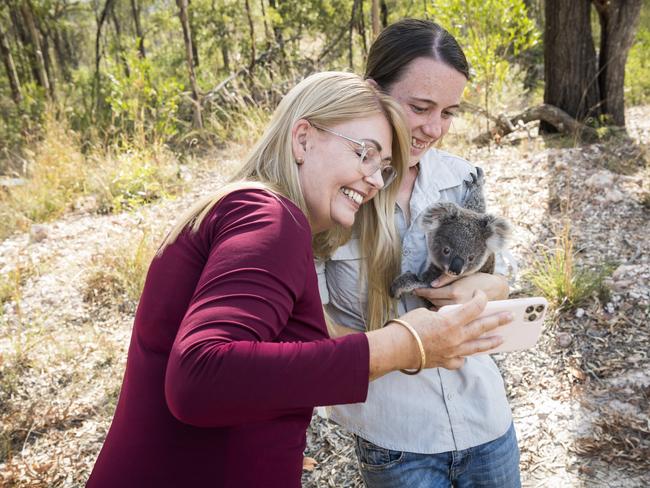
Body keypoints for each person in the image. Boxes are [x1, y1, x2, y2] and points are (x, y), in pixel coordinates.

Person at [86, 71, 510, 488]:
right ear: (302, 138)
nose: (376, 179)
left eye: (382, 166)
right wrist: (404, 345)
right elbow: (198, 376)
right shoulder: (270, 218)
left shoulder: (252, 212)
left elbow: (256, 370)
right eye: (364, 153)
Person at [320, 20, 521, 487]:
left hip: (485, 416)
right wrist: (404, 345)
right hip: (396, 431)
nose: (434, 128)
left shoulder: (461, 176)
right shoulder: (334, 187)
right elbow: (310, 325)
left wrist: (489, 285)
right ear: (374, 93)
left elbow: (494, 270)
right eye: (419, 107)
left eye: (449, 112)